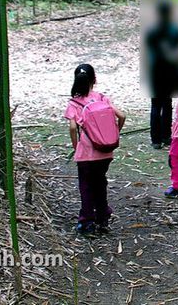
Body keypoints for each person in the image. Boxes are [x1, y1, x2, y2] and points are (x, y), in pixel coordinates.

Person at [65, 63, 125, 233]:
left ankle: (86, 221)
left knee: (86, 185)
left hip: (86, 154)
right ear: (95, 80)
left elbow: (71, 127)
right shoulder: (101, 98)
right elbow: (122, 115)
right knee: (100, 183)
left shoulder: (74, 103)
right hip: (105, 153)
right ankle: (103, 218)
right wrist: (112, 135)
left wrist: (76, 146)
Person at [143, 0, 178, 149]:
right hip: (169, 71)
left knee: (155, 105)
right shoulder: (175, 30)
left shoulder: (152, 31)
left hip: (155, 71)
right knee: (167, 105)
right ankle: (166, 136)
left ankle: (155, 140)